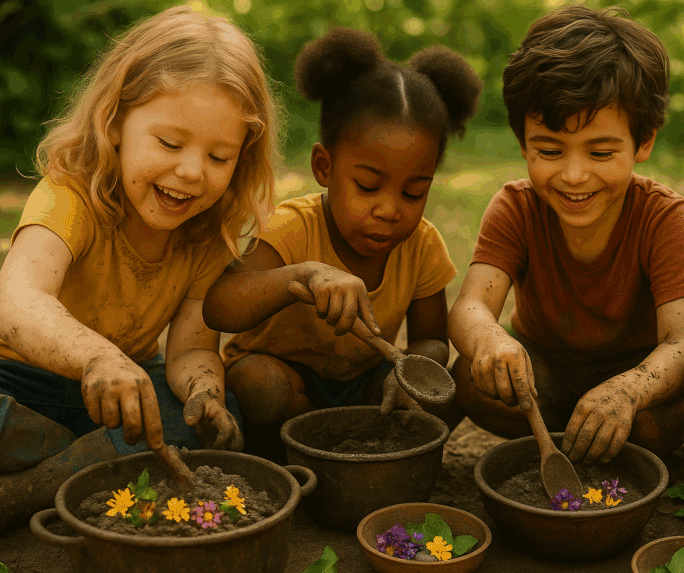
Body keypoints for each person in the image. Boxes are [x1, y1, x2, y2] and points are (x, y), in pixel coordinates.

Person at [0, 6, 278, 534]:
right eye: (170, 144)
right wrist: (97, 356)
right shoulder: (70, 195)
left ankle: (36, 483)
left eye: (219, 157)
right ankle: (74, 466)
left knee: (195, 424)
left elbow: (191, 347)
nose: (191, 172)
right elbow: (16, 303)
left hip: (122, 390)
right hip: (10, 374)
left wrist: (203, 394)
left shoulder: (207, 231)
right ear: (115, 123)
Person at [448, 5, 684, 468]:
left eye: (602, 151)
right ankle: (559, 442)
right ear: (522, 141)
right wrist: (492, 341)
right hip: (540, 374)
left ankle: (593, 436)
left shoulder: (662, 216)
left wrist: (628, 391)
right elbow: (471, 306)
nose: (573, 175)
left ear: (643, 142)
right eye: (549, 151)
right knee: (471, 380)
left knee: (668, 418)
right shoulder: (516, 206)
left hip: (633, 374)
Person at [202, 28, 481, 459]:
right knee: (260, 384)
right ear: (324, 166)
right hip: (283, 381)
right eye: (368, 186)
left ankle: (359, 453)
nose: (390, 210)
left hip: (363, 383)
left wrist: (410, 371)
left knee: (455, 383)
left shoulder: (422, 245)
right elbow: (220, 304)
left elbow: (433, 340)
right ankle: (305, 455)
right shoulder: (294, 228)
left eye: (413, 192)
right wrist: (303, 276)